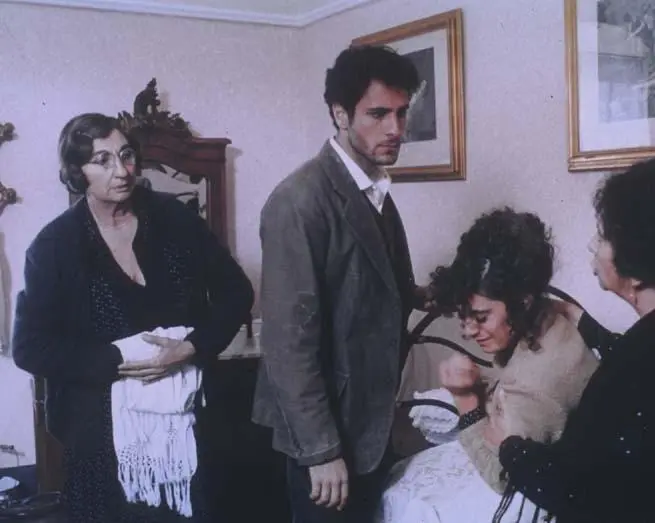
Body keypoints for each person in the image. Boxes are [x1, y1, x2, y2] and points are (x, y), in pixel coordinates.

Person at [12, 113, 254, 523]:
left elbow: (237, 292)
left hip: (187, 428)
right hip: (98, 443)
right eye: (102, 160)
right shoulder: (54, 246)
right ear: (77, 172)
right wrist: (116, 360)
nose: (122, 171)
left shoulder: (175, 219)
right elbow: (29, 347)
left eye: (126, 155)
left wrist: (191, 347)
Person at [252, 44, 431, 523]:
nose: (395, 129)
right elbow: (287, 345)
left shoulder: (372, 189)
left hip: (370, 424)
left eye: (401, 112)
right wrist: (321, 451)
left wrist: (438, 294)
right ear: (340, 114)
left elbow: (374, 287)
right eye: (378, 114)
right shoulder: (298, 202)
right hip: (326, 434)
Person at [378, 208, 599, 523]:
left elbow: (502, 477)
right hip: (564, 454)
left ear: (522, 301)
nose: (468, 331)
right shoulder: (551, 313)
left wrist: (466, 402)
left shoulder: (535, 384)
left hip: (537, 492)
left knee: (407, 500)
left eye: (481, 318)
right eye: (464, 315)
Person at [494, 160, 655, 523]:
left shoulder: (628, 369)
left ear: (636, 267)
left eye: (604, 236)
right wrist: (578, 316)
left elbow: (573, 487)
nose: (593, 245)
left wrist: (509, 447)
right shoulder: (636, 352)